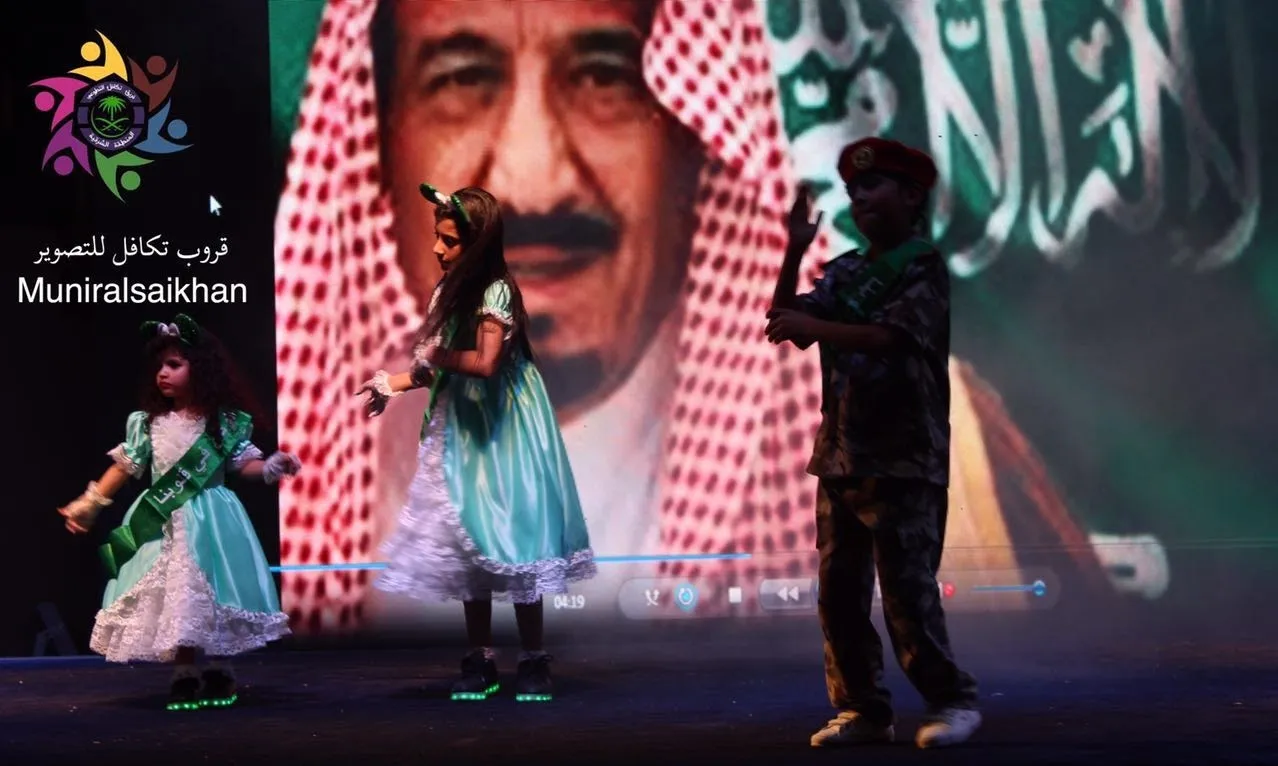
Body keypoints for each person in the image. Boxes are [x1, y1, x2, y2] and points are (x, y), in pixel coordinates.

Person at [766, 137, 980, 749]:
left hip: (904, 457)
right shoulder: (847, 271)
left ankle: (951, 700)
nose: (859, 198)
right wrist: (794, 250)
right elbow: (784, 321)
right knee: (839, 596)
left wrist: (816, 325)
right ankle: (864, 709)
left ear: (911, 196)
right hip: (841, 456)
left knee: (908, 595)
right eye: (853, 190)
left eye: (872, 186)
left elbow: (891, 338)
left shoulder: (921, 266)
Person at [358, 185, 596, 702]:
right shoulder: (448, 291)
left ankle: (533, 658)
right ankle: (481, 656)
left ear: (478, 243)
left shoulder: (495, 291)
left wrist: (436, 356)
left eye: (450, 241)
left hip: (503, 428)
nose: (438, 249)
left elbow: (484, 365)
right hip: (463, 424)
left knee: (516, 534)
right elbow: (439, 366)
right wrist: (393, 384)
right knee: (466, 536)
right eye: (438, 237)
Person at [58, 315, 300, 711]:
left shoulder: (224, 423)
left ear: (200, 369)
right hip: (163, 521)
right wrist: (90, 503)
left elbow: (243, 465)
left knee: (214, 592)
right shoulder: (148, 424)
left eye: (174, 364)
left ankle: (220, 667)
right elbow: (124, 467)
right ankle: (184, 671)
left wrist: (271, 466)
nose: (163, 373)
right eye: (160, 366)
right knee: (177, 595)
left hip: (213, 520)